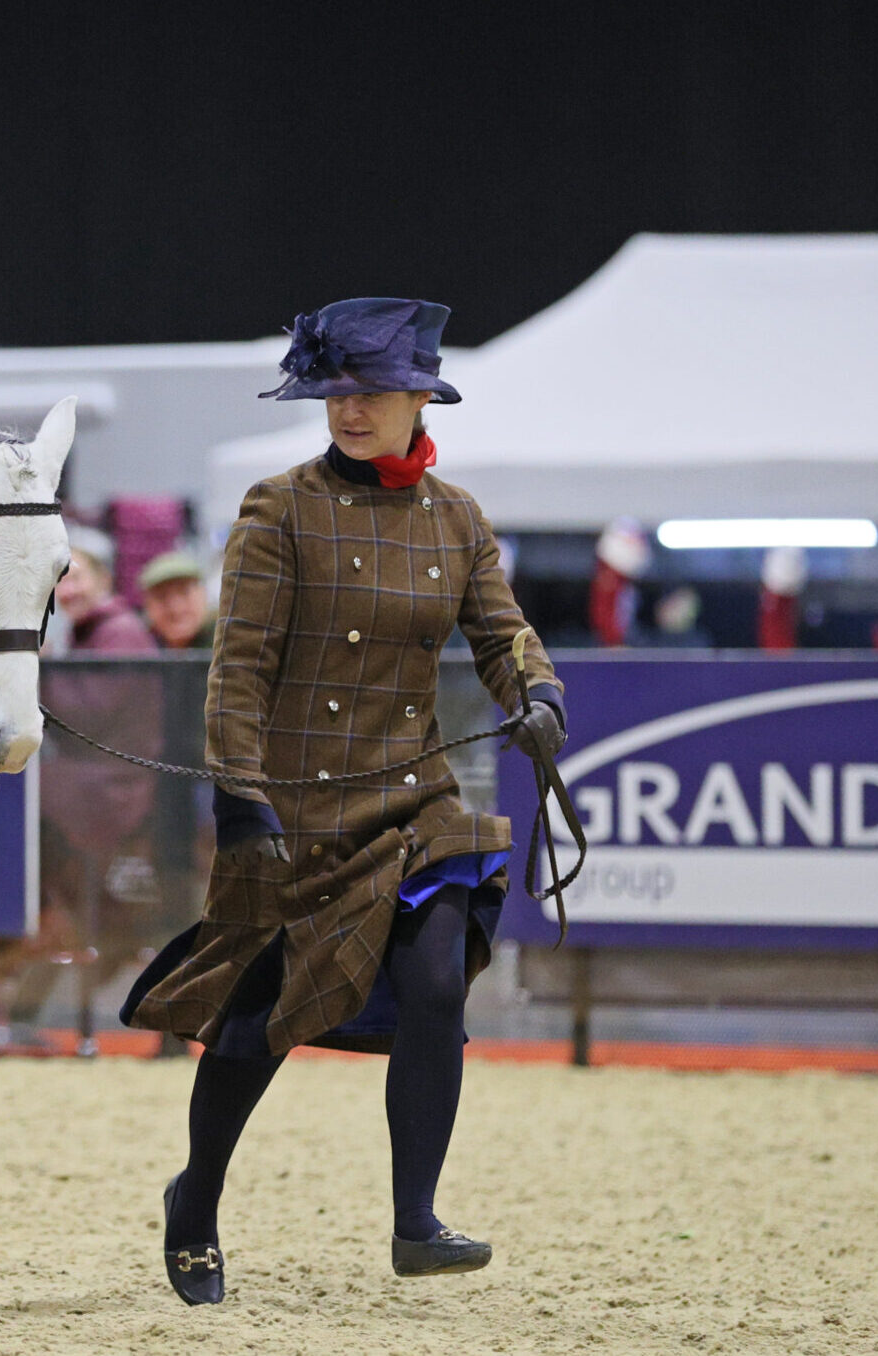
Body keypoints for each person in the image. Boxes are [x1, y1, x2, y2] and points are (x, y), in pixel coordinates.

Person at [120, 298, 568, 1304]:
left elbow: (501, 635)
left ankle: (415, 1222)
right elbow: (238, 670)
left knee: (440, 983)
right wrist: (241, 795)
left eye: (369, 393)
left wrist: (536, 693)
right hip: (297, 803)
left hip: (417, 800)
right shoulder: (277, 506)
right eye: (335, 393)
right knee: (257, 1026)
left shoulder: (456, 517)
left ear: (419, 398)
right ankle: (194, 1199)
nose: (349, 410)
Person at [138, 552, 214, 650]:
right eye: (162, 596)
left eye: (184, 593)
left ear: (203, 595)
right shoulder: (137, 648)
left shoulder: (228, 642)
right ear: (147, 606)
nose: (176, 608)